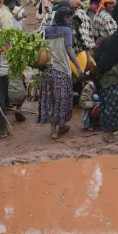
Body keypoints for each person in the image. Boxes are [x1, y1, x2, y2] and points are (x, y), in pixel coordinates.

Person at [38, 7, 82, 140]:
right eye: (68, 18)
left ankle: (55, 129)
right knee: (62, 100)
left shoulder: (46, 30)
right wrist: (78, 67)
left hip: (47, 70)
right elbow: (69, 49)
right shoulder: (66, 31)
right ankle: (59, 127)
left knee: (51, 100)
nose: (69, 20)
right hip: (61, 71)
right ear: (64, 18)